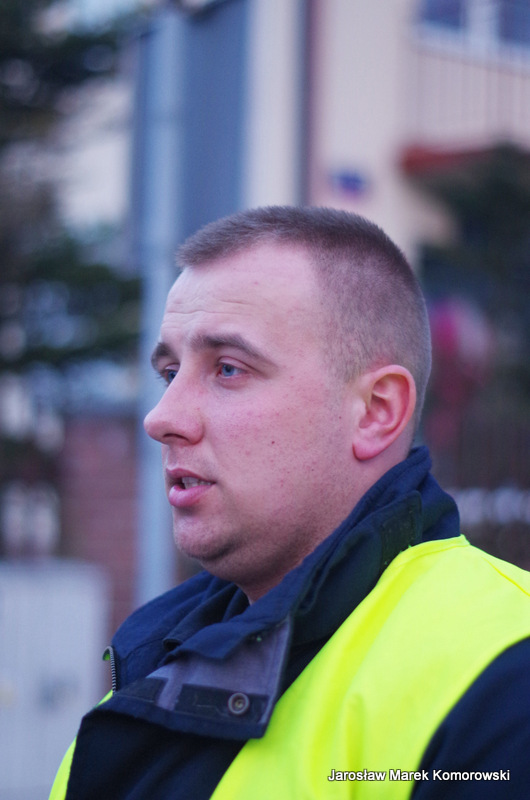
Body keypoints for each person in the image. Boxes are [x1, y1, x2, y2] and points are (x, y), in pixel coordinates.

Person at [50, 206, 530, 799]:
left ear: (376, 411)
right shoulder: (150, 664)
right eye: (169, 373)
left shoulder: (506, 674)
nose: (161, 417)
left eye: (228, 369)